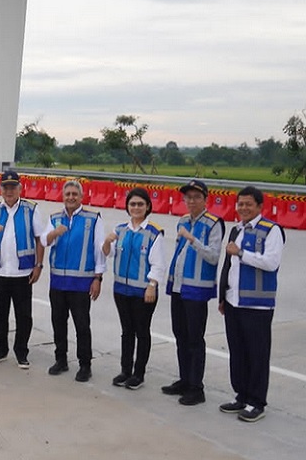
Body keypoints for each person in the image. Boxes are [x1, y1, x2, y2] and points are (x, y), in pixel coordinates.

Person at [218, 186, 284, 423]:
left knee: (257, 354)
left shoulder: (271, 230)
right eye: (240, 204)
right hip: (234, 301)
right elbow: (228, 265)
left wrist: (242, 253)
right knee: (237, 352)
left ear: (259, 206)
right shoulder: (236, 229)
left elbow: (271, 262)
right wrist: (223, 296)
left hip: (257, 305)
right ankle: (241, 395)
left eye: (248, 204)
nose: (243, 208)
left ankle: (256, 401)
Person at [163, 179, 223, 406]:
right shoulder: (183, 220)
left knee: (194, 339)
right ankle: (185, 379)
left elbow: (214, 256)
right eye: (188, 197)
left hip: (197, 290)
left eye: (196, 197)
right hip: (179, 287)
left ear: (205, 199)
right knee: (180, 335)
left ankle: (197, 387)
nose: (191, 201)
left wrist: (193, 239)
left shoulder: (213, 223)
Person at [102, 187, 166, 390]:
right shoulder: (121, 230)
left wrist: (152, 285)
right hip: (121, 289)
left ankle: (139, 374)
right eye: (132, 204)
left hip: (143, 292)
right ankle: (125, 370)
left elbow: (158, 264)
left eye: (140, 204)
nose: (136, 207)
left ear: (148, 206)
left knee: (142, 331)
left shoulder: (154, 232)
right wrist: (106, 241)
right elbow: (108, 253)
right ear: (127, 207)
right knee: (126, 331)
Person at [0, 170, 46, 369]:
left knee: (23, 315)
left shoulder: (30, 209)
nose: (9, 191)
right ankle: (0, 349)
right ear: (0, 189)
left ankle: (21, 351)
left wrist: (39, 265)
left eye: (13, 187)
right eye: (5, 187)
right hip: (0, 271)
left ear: (20, 188)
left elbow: (40, 239)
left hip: (23, 272)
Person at [43, 180, 106, 382]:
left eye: (74, 194)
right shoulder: (54, 218)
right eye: (67, 194)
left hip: (80, 284)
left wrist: (98, 278)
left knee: (82, 325)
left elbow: (99, 251)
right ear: (62, 196)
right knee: (58, 323)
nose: (71, 197)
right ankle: (61, 359)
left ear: (81, 196)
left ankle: (85, 364)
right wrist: (55, 232)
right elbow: (44, 240)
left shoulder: (93, 219)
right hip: (58, 282)